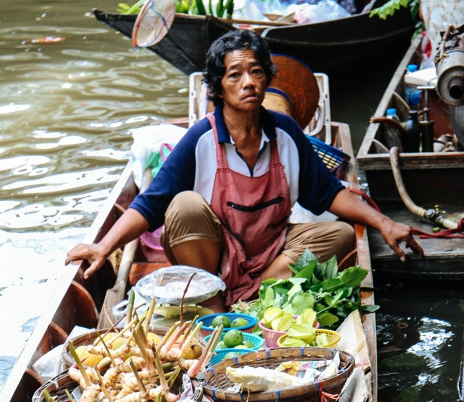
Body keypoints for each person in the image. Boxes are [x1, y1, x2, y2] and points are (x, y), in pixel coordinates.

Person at [66, 29, 423, 310]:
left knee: (341, 235)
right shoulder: (201, 138)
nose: (248, 82)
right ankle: (211, 299)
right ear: (218, 87)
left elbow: (329, 193)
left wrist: (384, 223)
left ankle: (248, 297)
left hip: (270, 250)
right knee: (184, 205)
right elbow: (149, 205)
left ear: (267, 78)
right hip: (213, 254)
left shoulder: (285, 132)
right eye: (234, 75)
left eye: (255, 72)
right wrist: (103, 245)